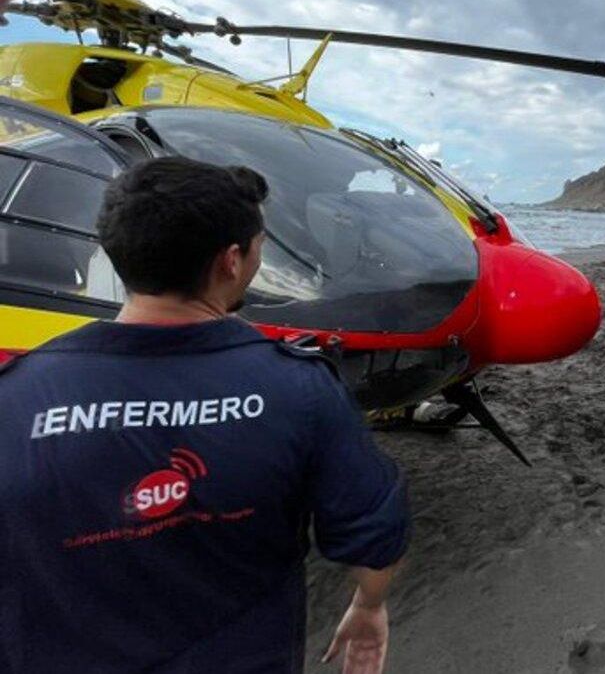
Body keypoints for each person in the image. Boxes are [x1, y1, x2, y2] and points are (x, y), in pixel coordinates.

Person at [0, 157, 409, 673]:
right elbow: (374, 539)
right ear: (231, 261)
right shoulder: (300, 389)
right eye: (261, 245)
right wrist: (369, 605)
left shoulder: (14, 396)